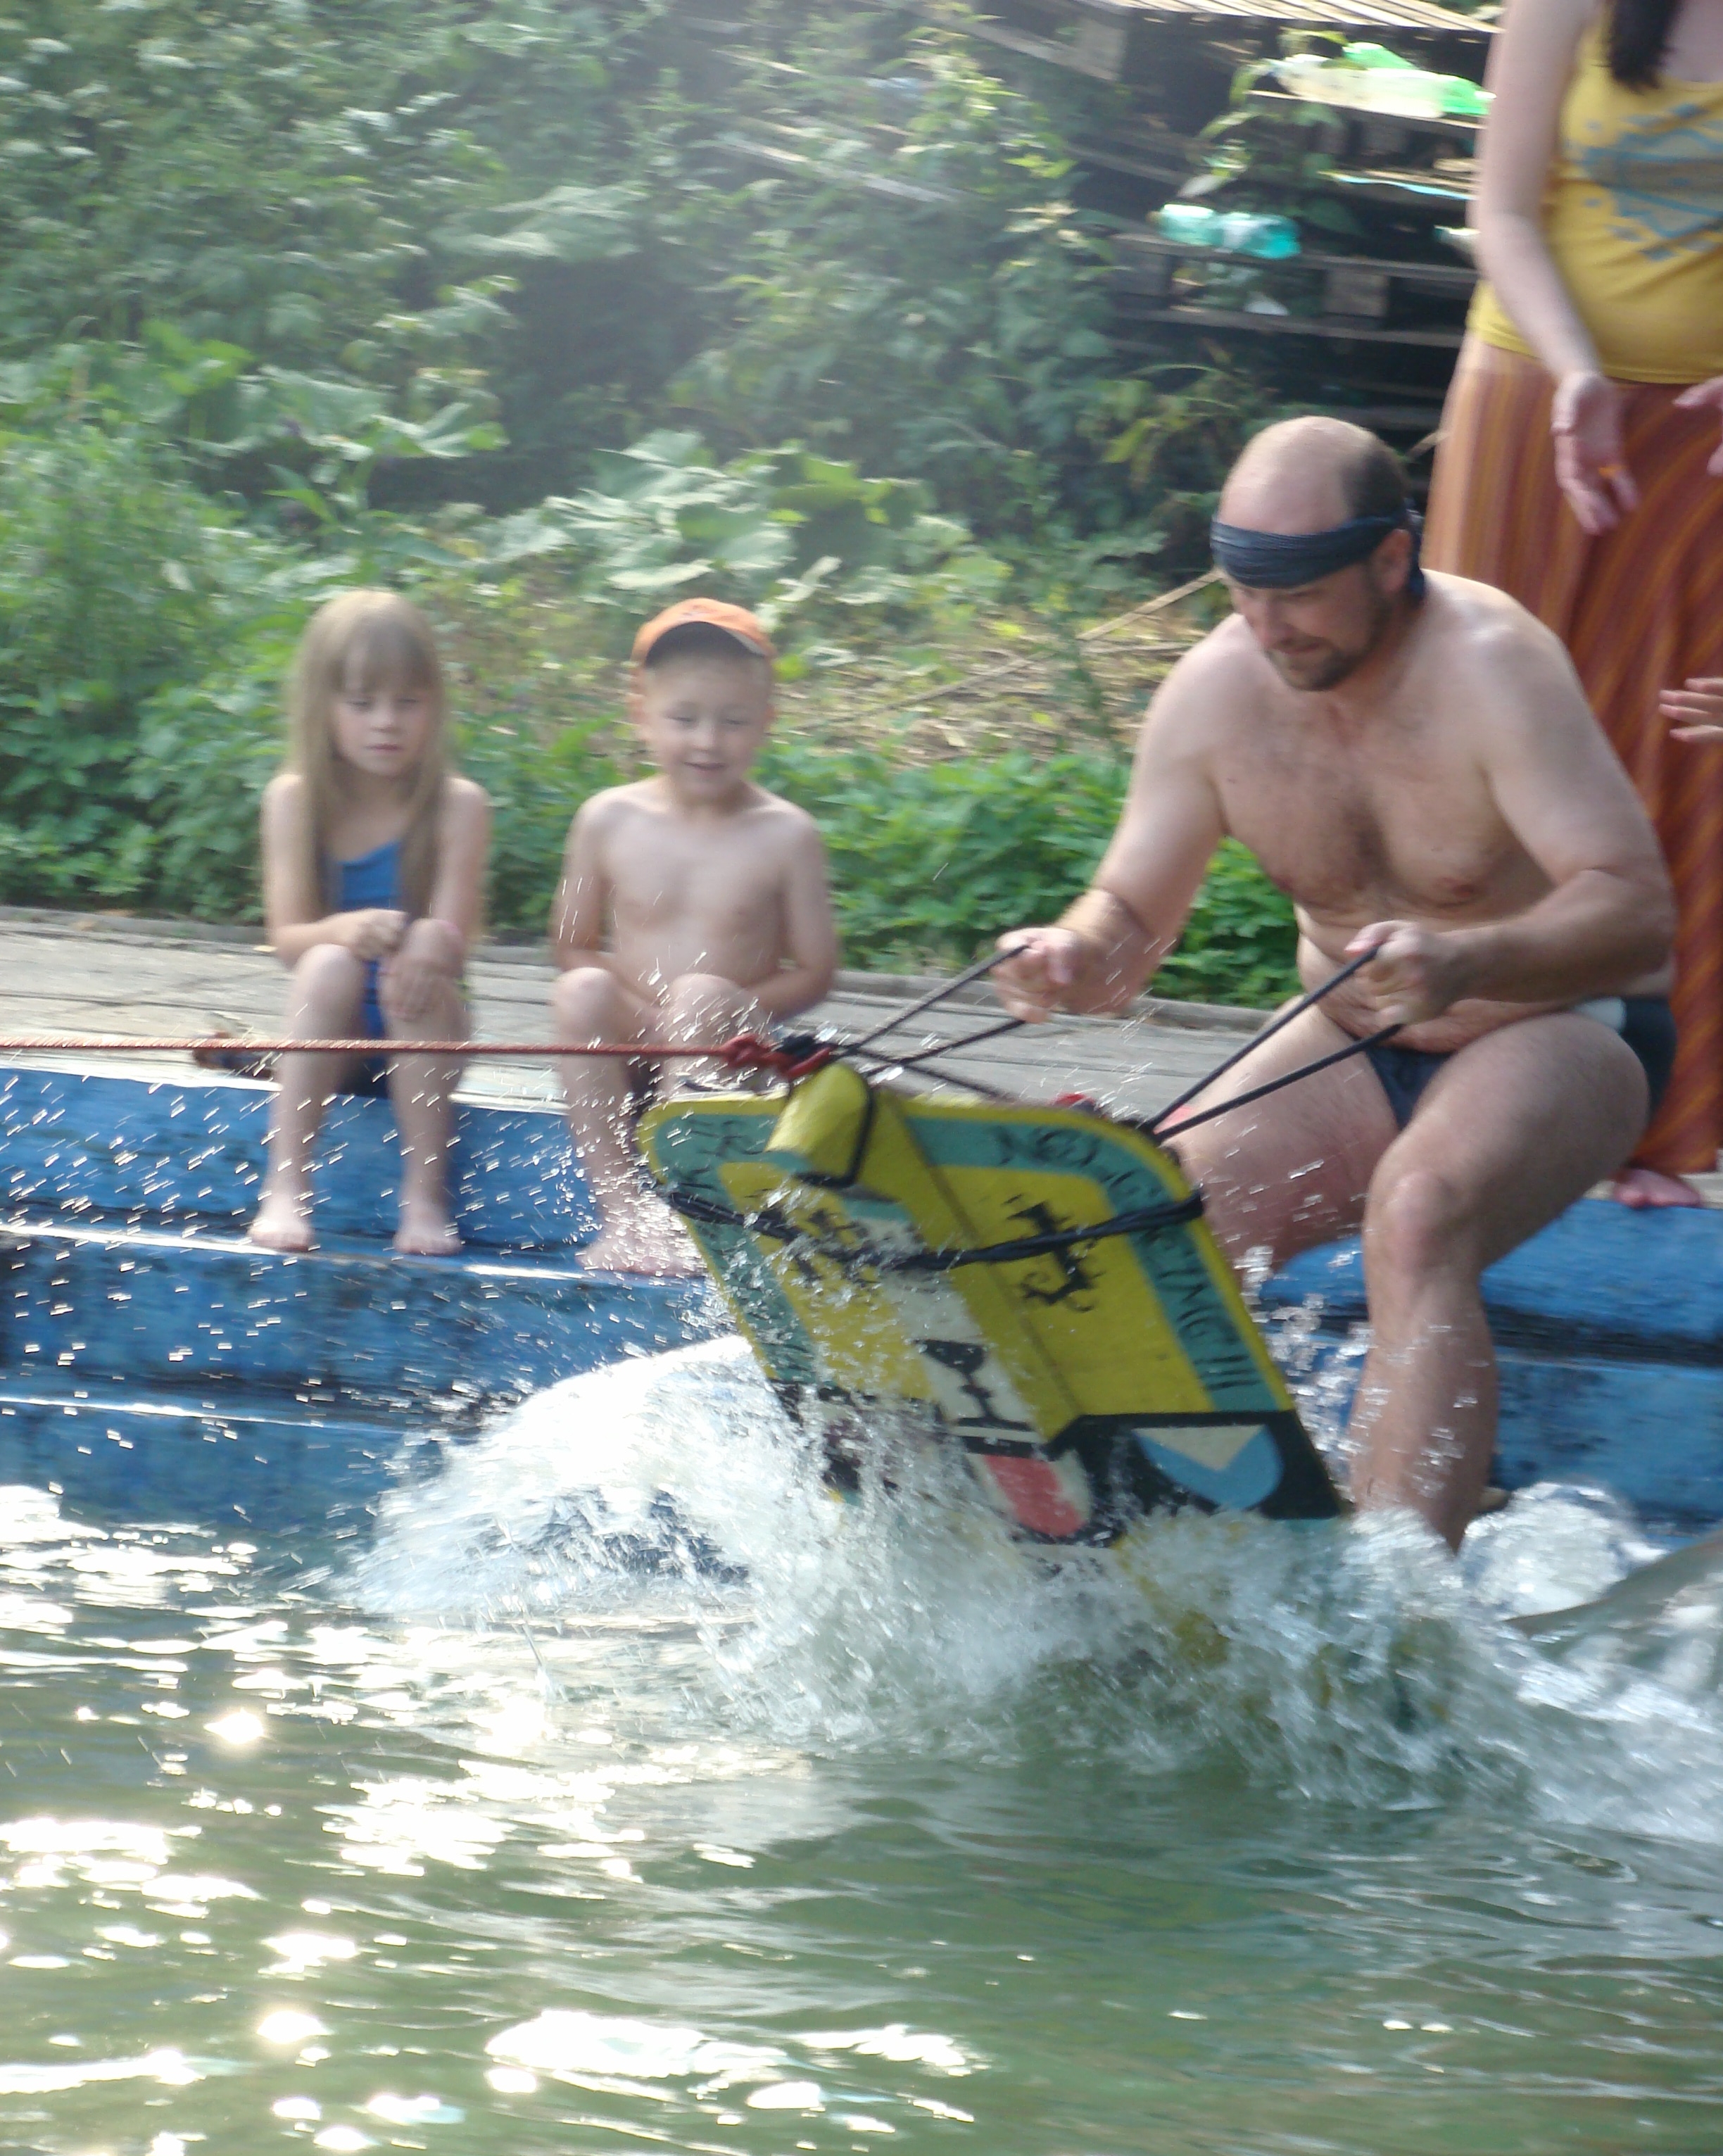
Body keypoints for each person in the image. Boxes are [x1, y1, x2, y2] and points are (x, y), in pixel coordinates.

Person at [994, 417, 1675, 1551]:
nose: (1267, 627)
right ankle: (1161, 1548)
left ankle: (1397, 1602)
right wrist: (1067, 953)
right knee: (1161, 1215)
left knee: (1420, 1212)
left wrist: (1470, 958)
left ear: (1391, 558)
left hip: (1569, 1026)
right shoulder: (1218, 691)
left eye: (1299, 595)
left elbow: (1636, 909)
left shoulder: (1493, 668)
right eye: (1244, 592)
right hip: (1356, 1038)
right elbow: (1129, 924)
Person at [1423, 0, 1723, 1206]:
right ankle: (1436, 1087)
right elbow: (1499, 211)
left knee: (1680, 757)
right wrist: (1576, 372)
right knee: (1474, 747)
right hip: (1536, 401)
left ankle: (1647, 1122)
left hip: (1703, 444)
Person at [550, 598, 839, 1272]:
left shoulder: (786, 834)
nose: (707, 742)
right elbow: (571, 944)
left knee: (701, 991)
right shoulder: (606, 819)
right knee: (581, 988)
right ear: (641, 713)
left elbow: (816, 970)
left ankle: (691, 1211)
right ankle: (626, 1213)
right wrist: (655, 1021)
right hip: (634, 1036)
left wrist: (704, 1018)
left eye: (733, 722)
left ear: (766, 721)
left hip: (730, 1052)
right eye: (684, 719)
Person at [249, 589, 491, 1257]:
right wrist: (342, 931)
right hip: (340, 1031)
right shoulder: (295, 800)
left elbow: (455, 938)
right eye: (362, 703)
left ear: (435, 706)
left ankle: (424, 1197)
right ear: (322, 706)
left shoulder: (458, 805)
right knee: (327, 963)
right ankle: (285, 1186)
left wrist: (429, 939)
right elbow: (288, 940)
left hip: (428, 1024)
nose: (387, 722)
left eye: (407, 702)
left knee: (419, 964)